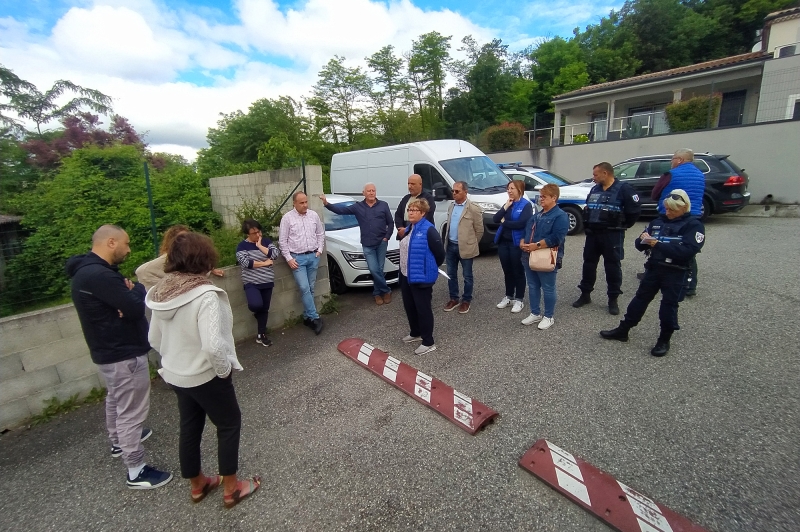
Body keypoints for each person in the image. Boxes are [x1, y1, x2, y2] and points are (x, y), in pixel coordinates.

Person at [146, 232, 260, 508]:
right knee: (229, 423)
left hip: (175, 374)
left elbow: (153, 339)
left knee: (189, 427)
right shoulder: (205, 294)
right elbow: (213, 345)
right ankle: (231, 489)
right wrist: (223, 372)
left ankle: (198, 485)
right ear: (204, 257)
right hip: (206, 375)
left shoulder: (162, 291)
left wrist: (176, 360)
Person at [66, 224, 172, 490]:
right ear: (111, 242)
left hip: (108, 353)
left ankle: (117, 442)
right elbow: (137, 306)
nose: (129, 249)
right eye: (126, 243)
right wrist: (134, 293)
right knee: (131, 412)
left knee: (115, 398)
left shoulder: (89, 272)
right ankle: (136, 470)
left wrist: (129, 295)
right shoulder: (100, 276)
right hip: (123, 352)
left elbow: (129, 300)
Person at [600, 190, 705, 357]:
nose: (668, 213)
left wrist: (658, 244)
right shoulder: (658, 222)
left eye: (672, 210)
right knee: (639, 300)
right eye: (666, 209)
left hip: (676, 272)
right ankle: (624, 329)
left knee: (668, 306)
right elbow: (640, 245)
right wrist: (643, 240)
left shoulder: (693, 225)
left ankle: (664, 339)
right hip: (655, 268)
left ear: (684, 208)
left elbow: (688, 251)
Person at [573, 162, 641, 315]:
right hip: (593, 234)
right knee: (589, 265)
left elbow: (634, 211)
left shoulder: (624, 189)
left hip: (612, 235)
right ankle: (585, 294)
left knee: (612, 267)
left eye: (596, 174)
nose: (593, 177)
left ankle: (613, 299)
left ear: (606, 173)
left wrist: (622, 225)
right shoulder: (595, 189)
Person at [320, 183, 394, 305]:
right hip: (367, 244)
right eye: (369, 191)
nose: (371, 193)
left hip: (381, 243)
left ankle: (377, 293)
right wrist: (326, 203)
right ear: (363, 193)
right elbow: (340, 211)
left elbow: (390, 223)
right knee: (374, 269)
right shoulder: (357, 207)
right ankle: (386, 290)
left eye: (373, 190)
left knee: (379, 269)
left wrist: (387, 237)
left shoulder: (383, 205)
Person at [653, 149, 705, 297]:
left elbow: (655, 193)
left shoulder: (671, 174)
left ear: (680, 160)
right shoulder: (700, 175)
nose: (672, 162)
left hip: (670, 213)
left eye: (673, 159)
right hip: (692, 215)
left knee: (661, 242)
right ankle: (690, 284)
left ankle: (655, 273)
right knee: (688, 249)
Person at [399, 199, 446, 355]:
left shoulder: (429, 230)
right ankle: (415, 332)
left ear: (423, 213)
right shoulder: (409, 228)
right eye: (410, 209)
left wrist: (429, 267)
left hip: (421, 276)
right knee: (410, 306)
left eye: (415, 210)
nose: (411, 212)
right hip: (406, 275)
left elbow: (440, 254)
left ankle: (428, 341)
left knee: (423, 309)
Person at [519, 184, 569, 330]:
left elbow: (557, 238)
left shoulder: (560, 216)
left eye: (544, 197)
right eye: (540, 196)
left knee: (548, 288)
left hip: (546, 257)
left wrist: (536, 245)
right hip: (528, 255)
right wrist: (523, 242)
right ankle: (535, 313)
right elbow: (526, 231)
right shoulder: (537, 215)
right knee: (533, 286)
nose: (541, 199)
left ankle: (548, 316)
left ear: (554, 198)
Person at [279, 191, 325, 335]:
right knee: (304, 287)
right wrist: (289, 258)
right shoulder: (287, 218)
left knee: (310, 288)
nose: (305, 205)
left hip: (313, 256)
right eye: (302, 203)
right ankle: (315, 317)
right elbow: (282, 241)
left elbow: (320, 233)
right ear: (294, 203)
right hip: (297, 259)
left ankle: (306, 317)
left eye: (306, 202)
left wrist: (319, 250)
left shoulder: (313, 215)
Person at [135, 225, 224, 291]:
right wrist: (163, 287)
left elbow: (194, 270)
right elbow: (142, 271)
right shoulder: (167, 257)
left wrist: (209, 268)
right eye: (181, 238)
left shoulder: (190, 256)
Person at [236, 219, 279, 347]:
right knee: (256, 305)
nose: (258, 235)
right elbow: (246, 263)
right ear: (247, 234)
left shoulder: (266, 242)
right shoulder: (242, 246)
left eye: (258, 231)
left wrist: (260, 246)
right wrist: (265, 263)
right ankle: (257, 315)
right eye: (254, 233)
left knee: (265, 309)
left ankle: (261, 334)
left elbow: (275, 254)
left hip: (267, 280)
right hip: (251, 282)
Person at [492, 180, 533, 314]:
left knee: (518, 271)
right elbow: (495, 219)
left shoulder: (525, 205)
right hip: (503, 242)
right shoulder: (508, 204)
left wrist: (505, 222)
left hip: (516, 243)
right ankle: (509, 296)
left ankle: (519, 299)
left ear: (519, 190)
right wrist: (505, 208)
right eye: (508, 188)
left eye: (512, 188)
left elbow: (522, 224)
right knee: (507, 270)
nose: (509, 191)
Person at [443, 181, 484, 314]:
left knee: (467, 276)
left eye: (457, 191)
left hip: (465, 247)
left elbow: (479, 230)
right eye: (453, 191)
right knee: (451, 274)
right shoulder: (451, 206)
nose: (454, 193)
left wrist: (472, 244)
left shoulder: (473, 208)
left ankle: (466, 300)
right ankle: (453, 298)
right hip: (451, 246)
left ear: (465, 192)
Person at [395, 174, 435, 240]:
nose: (410, 186)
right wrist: (400, 228)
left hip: (420, 233)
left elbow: (427, 216)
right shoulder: (406, 198)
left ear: (420, 185)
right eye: (408, 184)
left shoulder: (427, 198)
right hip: (404, 233)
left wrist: (408, 229)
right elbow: (398, 214)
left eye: (413, 184)